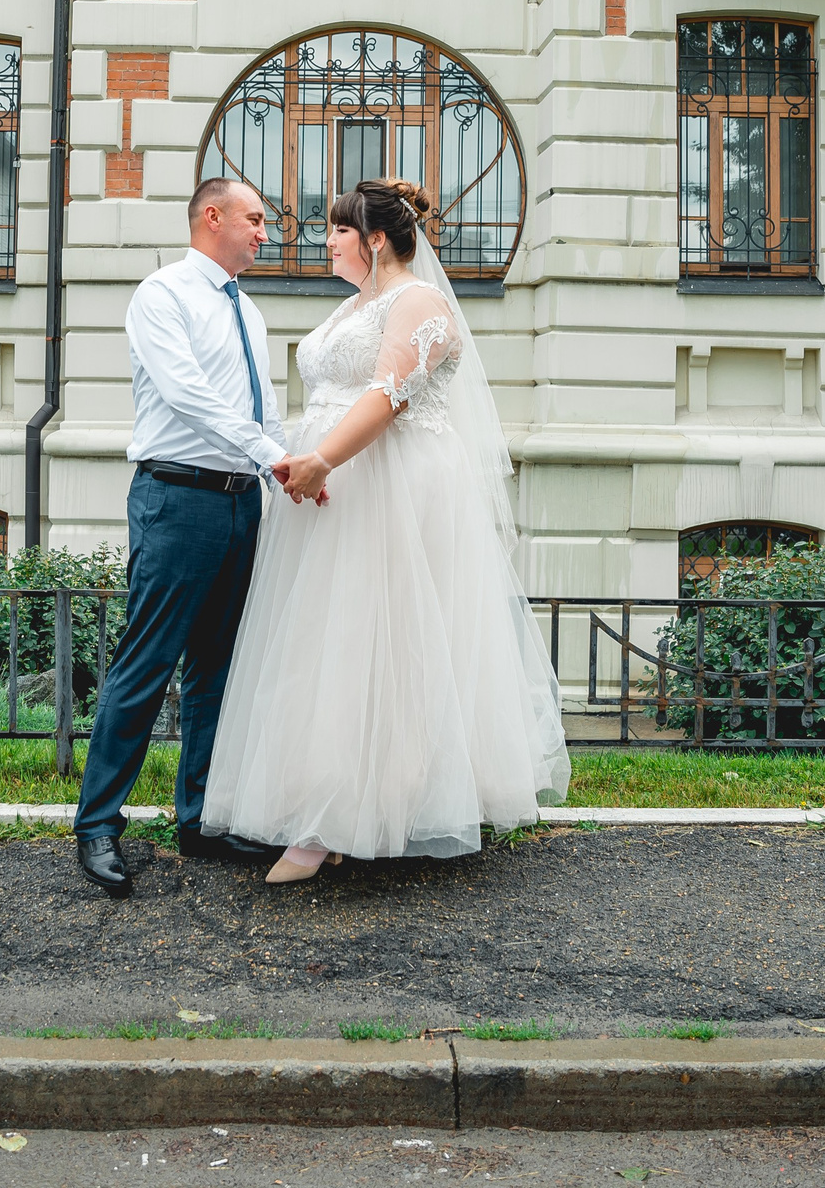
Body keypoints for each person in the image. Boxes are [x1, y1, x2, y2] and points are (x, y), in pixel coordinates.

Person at [202, 178, 571, 883]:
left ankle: (357, 814)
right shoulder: (352, 307)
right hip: (336, 489)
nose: (326, 241)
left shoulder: (419, 303)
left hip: (390, 486)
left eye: (337, 230)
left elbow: (387, 396)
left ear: (372, 239)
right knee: (327, 644)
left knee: (386, 644)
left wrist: (320, 458)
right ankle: (329, 807)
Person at [72, 176, 309, 898]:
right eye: (255, 219)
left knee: (217, 669)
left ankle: (198, 817)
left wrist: (288, 474)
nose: (265, 233)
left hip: (242, 504)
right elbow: (186, 394)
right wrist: (270, 454)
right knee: (145, 664)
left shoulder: (253, 312)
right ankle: (98, 824)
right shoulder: (162, 295)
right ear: (213, 217)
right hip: (176, 496)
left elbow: (263, 409)